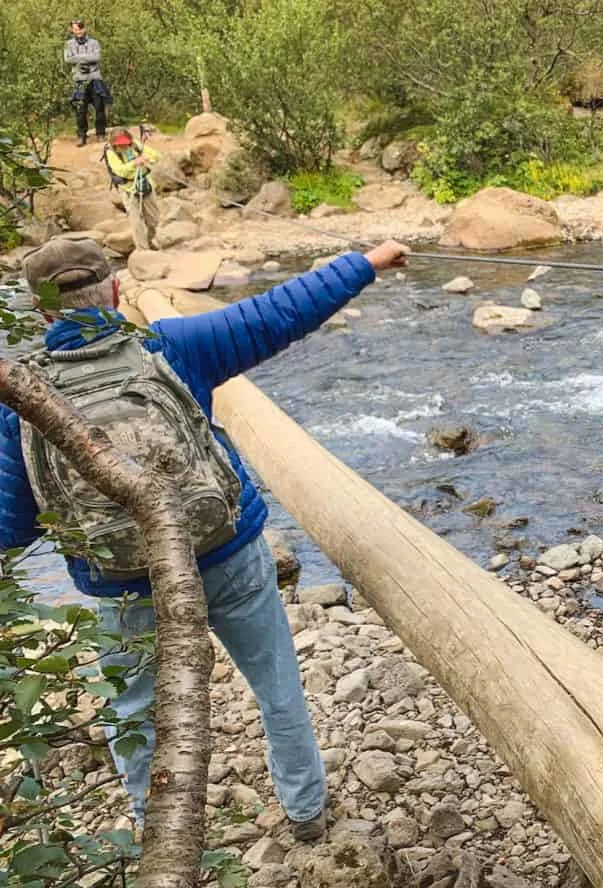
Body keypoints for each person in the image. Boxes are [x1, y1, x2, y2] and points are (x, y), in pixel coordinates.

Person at [0, 236, 410, 840]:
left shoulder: (22, 397)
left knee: (134, 709)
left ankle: (156, 831)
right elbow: (278, 313)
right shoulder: (170, 348)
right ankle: (305, 812)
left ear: (41, 312)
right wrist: (367, 263)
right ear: (115, 291)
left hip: (121, 585)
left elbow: (12, 528)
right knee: (275, 682)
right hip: (224, 552)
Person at [105, 129, 162, 250]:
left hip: (145, 183)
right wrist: (134, 163)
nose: (123, 146)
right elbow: (120, 170)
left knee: (154, 219)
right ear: (114, 144)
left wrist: (146, 159)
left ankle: (153, 242)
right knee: (136, 222)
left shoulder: (136, 145)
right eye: (120, 145)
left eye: (125, 143)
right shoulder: (111, 153)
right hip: (128, 189)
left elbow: (156, 156)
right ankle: (143, 249)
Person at [65, 20, 110, 147]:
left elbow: (97, 57)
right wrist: (86, 57)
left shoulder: (94, 43)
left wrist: (78, 58)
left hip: (95, 78)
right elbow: (68, 59)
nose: (78, 31)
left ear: (84, 29)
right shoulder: (68, 44)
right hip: (79, 79)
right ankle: (81, 136)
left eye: (80, 29)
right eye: (75, 29)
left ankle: (100, 134)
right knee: (81, 110)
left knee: (99, 108)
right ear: (72, 30)